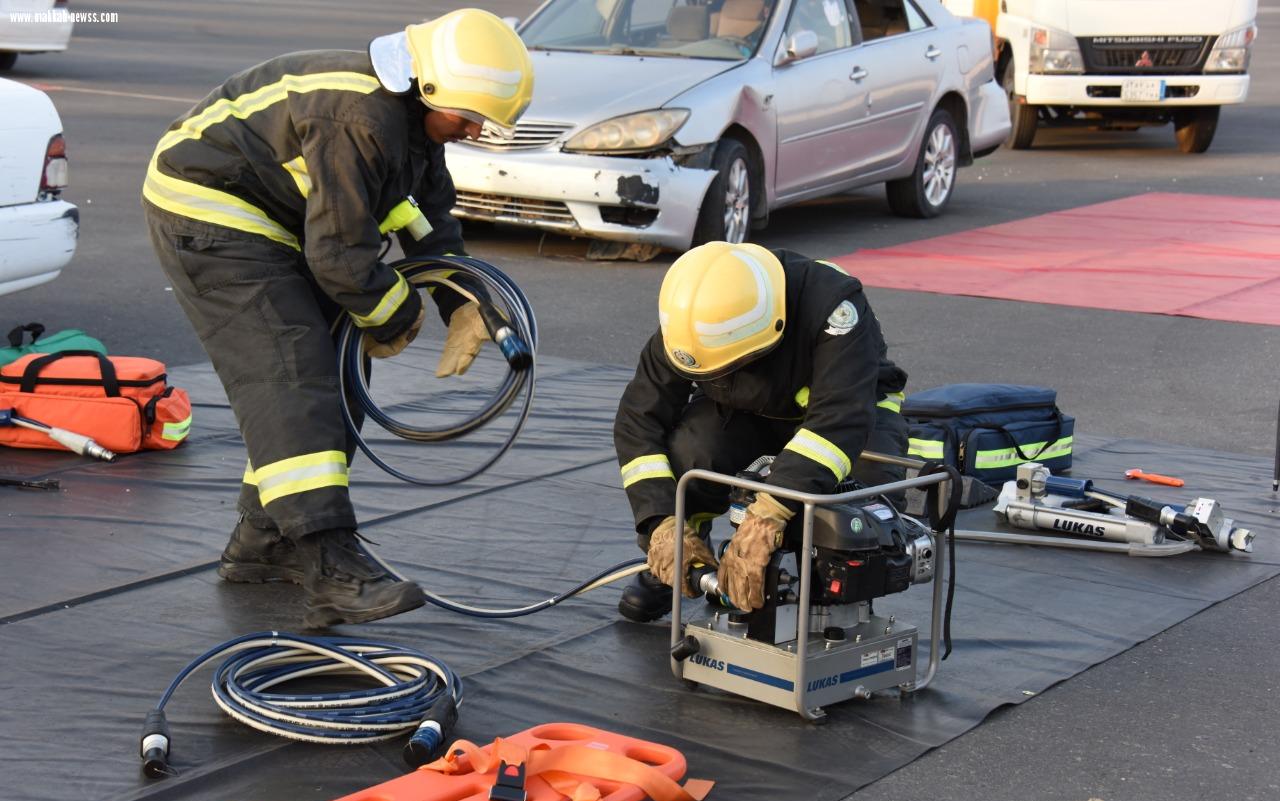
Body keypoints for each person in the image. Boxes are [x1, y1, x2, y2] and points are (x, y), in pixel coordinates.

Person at [142, 9, 534, 628]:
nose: (472, 131)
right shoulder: (362, 116)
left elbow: (427, 221)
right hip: (210, 214)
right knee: (293, 370)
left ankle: (265, 543)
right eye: (467, 117)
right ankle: (330, 564)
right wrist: (395, 315)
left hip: (281, 224)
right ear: (428, 88)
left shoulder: (412, 124)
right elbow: (342, 259)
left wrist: (466, 305)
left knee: (338, 369)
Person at [613, 241, 909, 620]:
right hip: (752, 409)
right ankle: (680, 561)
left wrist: (770, 510)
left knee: (860, 505)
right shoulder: (695, 319)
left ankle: (826, 598)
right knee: (692, 451)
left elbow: (839, 419)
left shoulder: (834, 306)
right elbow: (639, 419)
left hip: (851, 410)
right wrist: (660, 523)